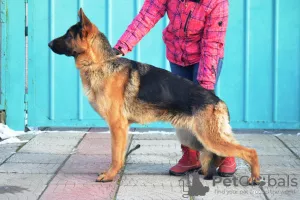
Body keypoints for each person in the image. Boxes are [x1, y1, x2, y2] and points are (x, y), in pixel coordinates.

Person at [113, 0, 236, 176]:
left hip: (206, 56)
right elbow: (147, 16)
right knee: (179, 106)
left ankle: (226, 154)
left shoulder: (217, 3)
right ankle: (190, 156)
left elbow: (212, 45)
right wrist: (121, 47)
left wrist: (205, 88)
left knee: (205, 109)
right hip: (178, 55)